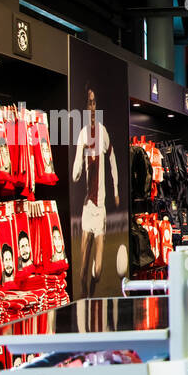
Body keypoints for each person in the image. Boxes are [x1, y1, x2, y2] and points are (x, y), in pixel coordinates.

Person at [71, 85, 119, 299]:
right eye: (89, 103)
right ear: (85, 107)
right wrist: (79, 166)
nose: (92, 106)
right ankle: (85, 303)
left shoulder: (103, 132)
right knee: (82, 272)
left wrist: (116, 189)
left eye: (94, 102)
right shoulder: (83, 134)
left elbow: (113, 159)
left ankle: (93, 282)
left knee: (97, 271)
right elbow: (75, 172)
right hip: (87, 207)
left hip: (100, 209)